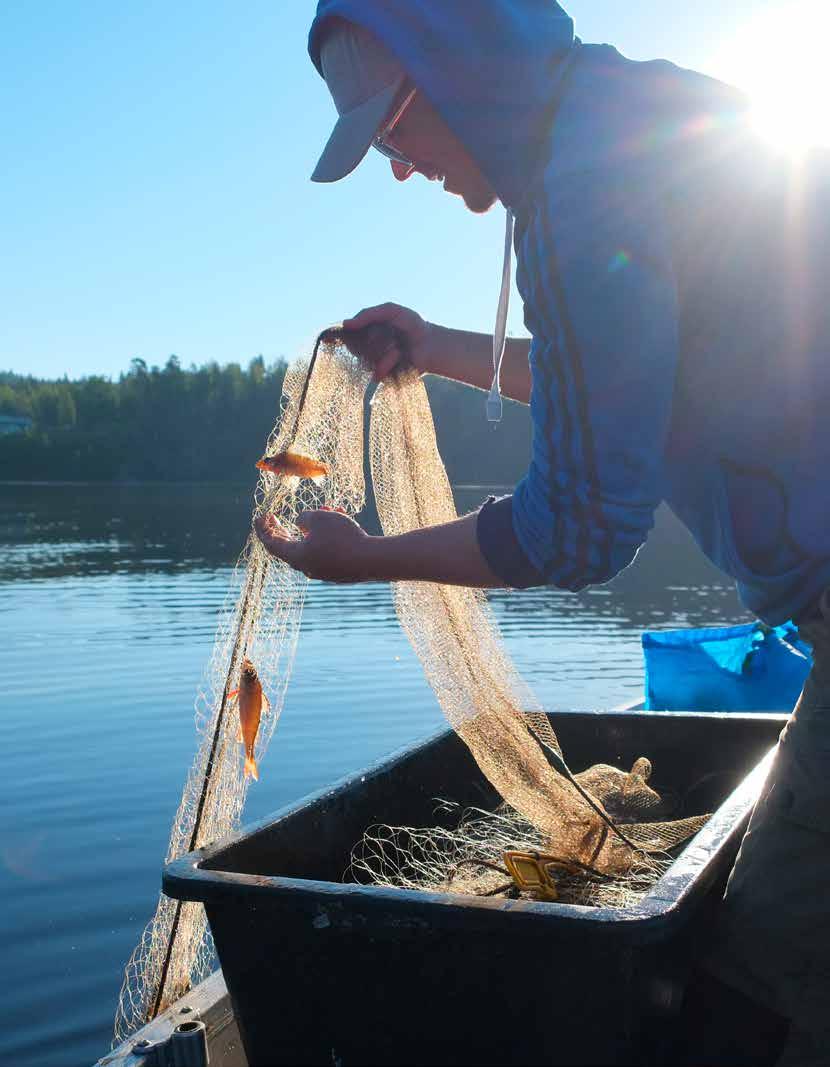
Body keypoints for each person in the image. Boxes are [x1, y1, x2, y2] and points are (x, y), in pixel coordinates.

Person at [254, 3, 830, 1061]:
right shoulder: (633, 112)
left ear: (451, 76)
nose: (396, 167)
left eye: (389, 133)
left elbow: (577, 529)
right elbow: (625, 383)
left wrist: (365, 559)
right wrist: (435, 346)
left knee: (758, 981)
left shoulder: (576, 190)